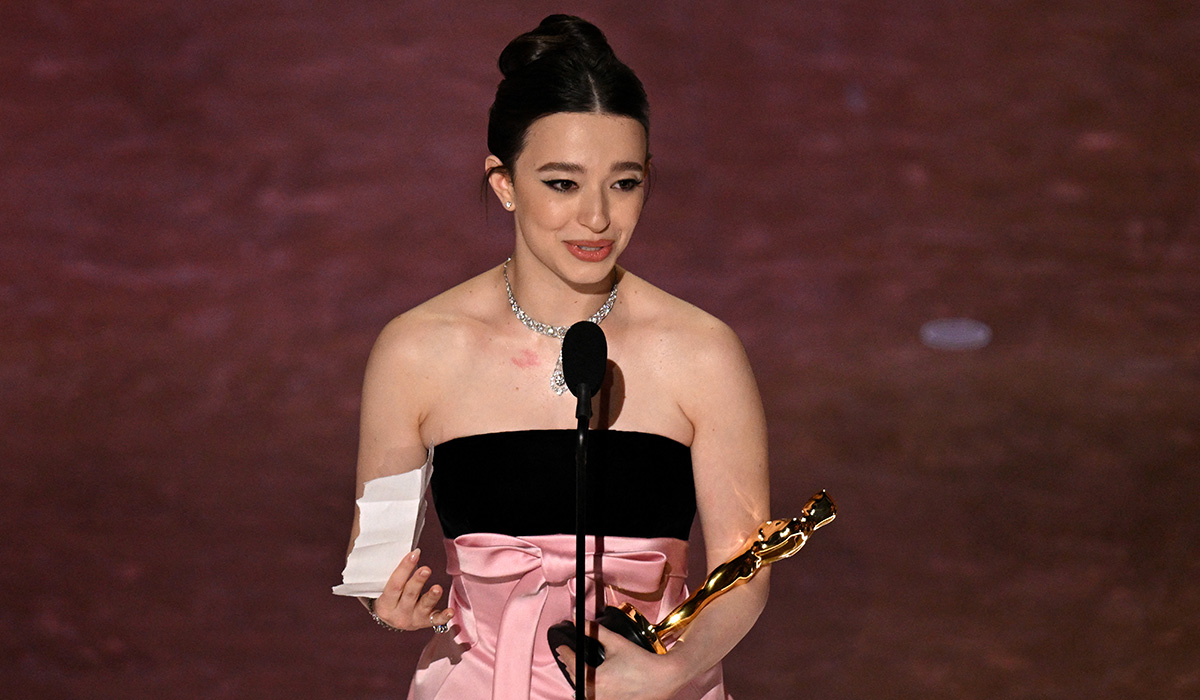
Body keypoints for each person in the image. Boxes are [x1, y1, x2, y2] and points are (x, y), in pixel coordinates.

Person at [345, 14, 770, 700]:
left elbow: (746, 567)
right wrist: (385, 601)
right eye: (563, 184)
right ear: (504, 183)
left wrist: (671, 672)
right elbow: (377, 558)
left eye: (624, 183)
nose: (598, 219)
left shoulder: (702, 353)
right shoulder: (417, 350)